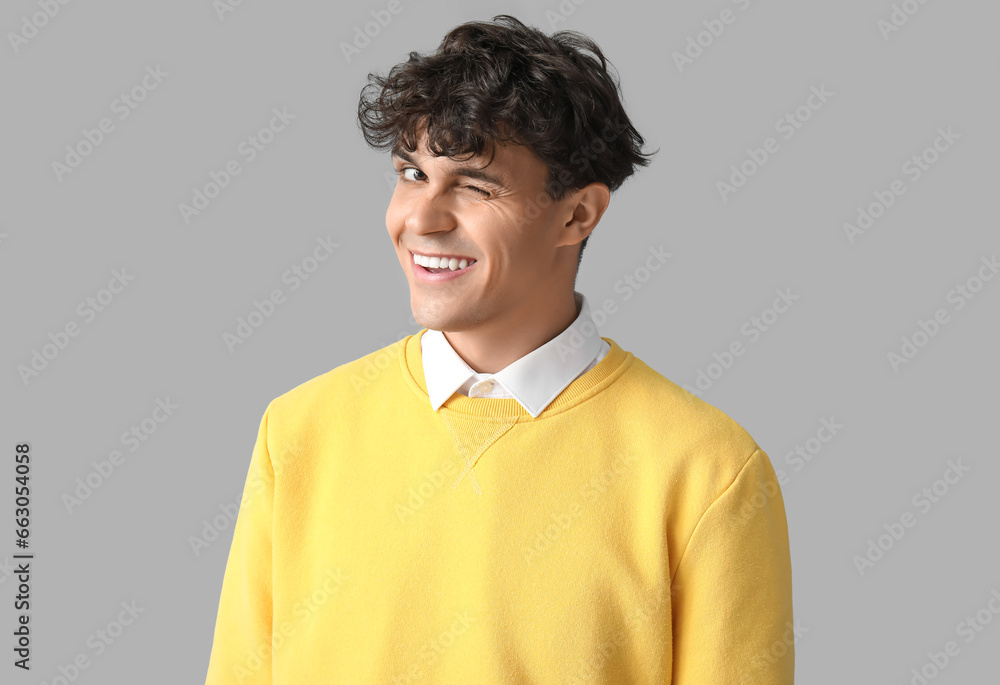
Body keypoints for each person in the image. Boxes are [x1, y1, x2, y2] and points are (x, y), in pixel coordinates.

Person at [205, 14, 794, 684]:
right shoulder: (298, 432)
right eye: (412, 172)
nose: (421, 219)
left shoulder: (708, 471)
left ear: (578, 214)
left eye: (474, 185)